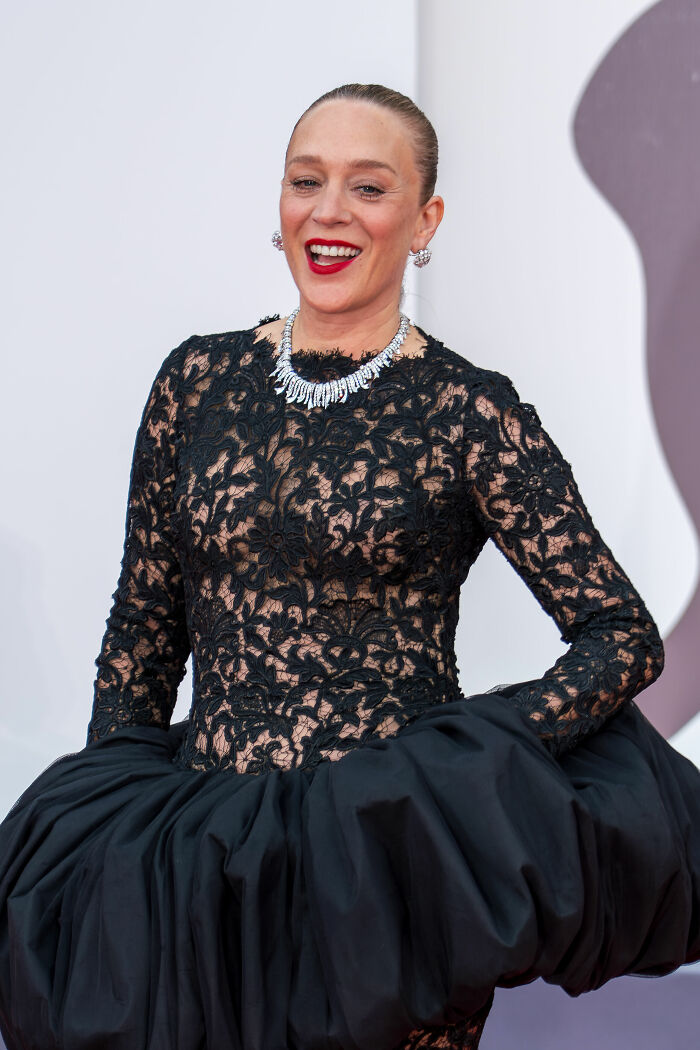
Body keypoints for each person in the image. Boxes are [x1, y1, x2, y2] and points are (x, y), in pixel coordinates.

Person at [0, 82, 698, 1050]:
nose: (328, 211)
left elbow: (617, 631)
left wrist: (475, 758)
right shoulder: (194, 381)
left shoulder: (466, 410)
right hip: (208, 859)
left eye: (368, 188)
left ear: (425, 221)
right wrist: (122, 852)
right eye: (305, 180)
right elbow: (143, 630)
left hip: (386, 871)